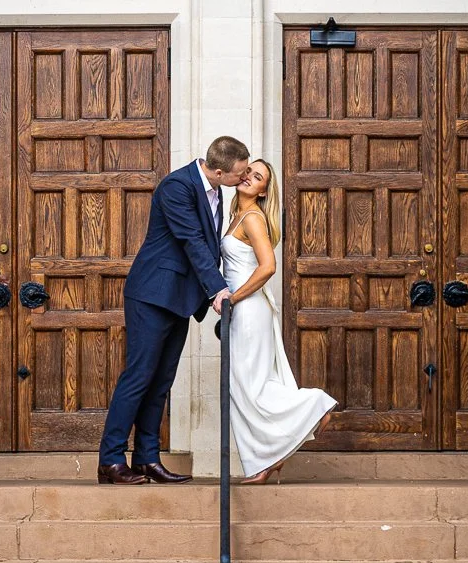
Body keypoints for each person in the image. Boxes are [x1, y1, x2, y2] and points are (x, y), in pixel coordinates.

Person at [98, 134, 251, 483]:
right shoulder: (176, 187)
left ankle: (147, 459)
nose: (242, 179)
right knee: (138, 377)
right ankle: (110, 460)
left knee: (161, 381)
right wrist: (218, 289)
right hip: (152, 295)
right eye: (238, 174)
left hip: (179, 300)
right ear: (217, 170)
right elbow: (191, 240)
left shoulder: (216, 190)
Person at [221, 157, 337, 483]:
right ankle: (268, 461)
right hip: (245, 308)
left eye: (257, 177)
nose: (249, 178)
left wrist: (233, 297)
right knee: (246, 387)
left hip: (248, 309)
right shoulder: (236, 215)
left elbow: (268, 267)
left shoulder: (253, 218)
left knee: (250, 387)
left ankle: (315, 405)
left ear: (262, 191)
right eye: (248, 172)